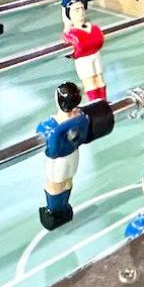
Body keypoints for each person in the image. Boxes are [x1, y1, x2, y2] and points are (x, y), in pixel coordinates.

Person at [36, 81, 89, 231]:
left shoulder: (51, 124)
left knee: (56, 184)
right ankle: (63, 207)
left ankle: (55, 211)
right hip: (73, 156)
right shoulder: (80, 118)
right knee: (66, 182)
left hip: (59, 161)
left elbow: (42, 134)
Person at [60, 0, 108, 101]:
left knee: (100, 81)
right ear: (70, 14)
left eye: (82, 8)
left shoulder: (92, 27)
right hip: (84, 60)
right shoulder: (70, 33)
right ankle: (95, 104)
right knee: (90, 83)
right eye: (77, 10)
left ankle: (104, 102)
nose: (81, 12)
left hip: (95, 55)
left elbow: (98, 40)